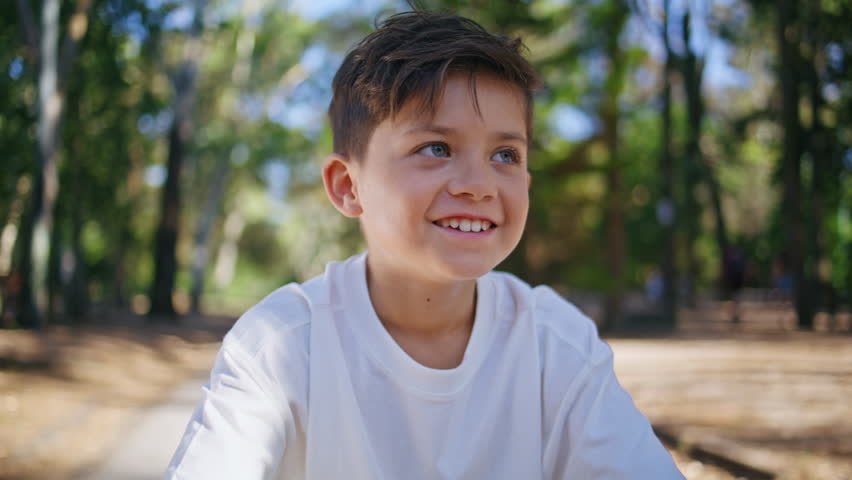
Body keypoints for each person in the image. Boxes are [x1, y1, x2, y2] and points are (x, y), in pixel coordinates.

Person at [164, 10, 684, 479]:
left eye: (506, 155)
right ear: (348, 186)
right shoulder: (282, 345)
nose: (478, 184)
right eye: (436, 148)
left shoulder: (554, 347)